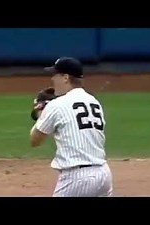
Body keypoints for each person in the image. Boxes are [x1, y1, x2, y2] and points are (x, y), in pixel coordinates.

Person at [29, 57, 113, 197]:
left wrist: (41, 115)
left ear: (65, 78)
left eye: (55, 75)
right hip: (103, 174)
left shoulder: (56, 105)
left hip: (77, 178)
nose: (52, 79)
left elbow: (35, 141)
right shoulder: (94, 101)